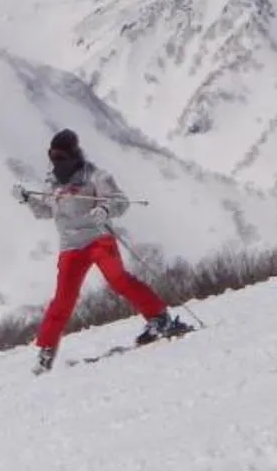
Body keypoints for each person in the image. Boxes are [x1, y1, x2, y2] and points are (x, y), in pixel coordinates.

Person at [18, 129, 189, 371]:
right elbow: (46, 212)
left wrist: (105, 211)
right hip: (71, 246)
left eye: (61, 157)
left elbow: (121, 201)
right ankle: (46, 350)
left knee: (118, 279)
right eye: (52, 156)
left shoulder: (94, 175)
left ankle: (158, 317)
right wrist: (28, 200)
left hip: (98, 239)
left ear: (74, 155)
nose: (57, 162)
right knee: (63, 300)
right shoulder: (52, 182)